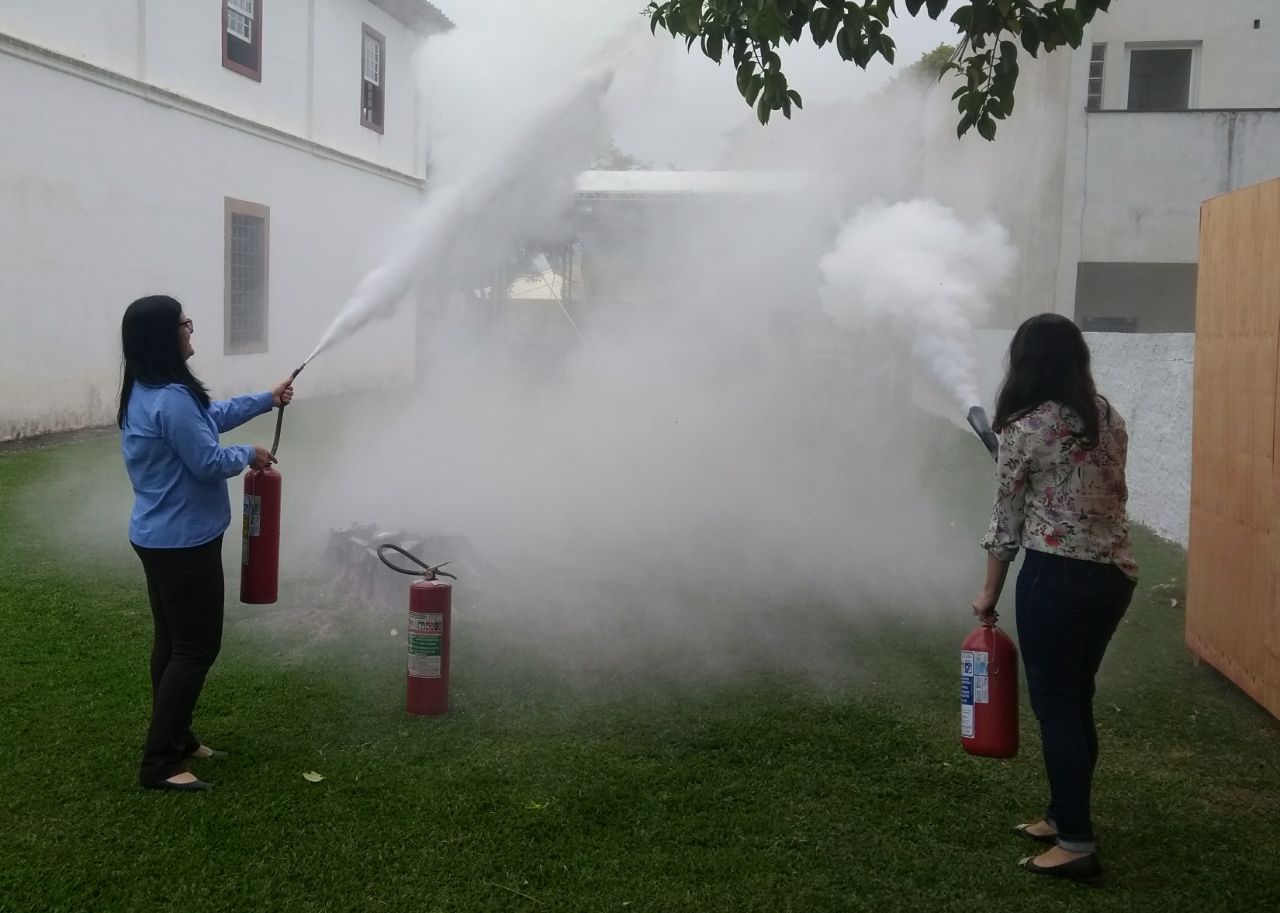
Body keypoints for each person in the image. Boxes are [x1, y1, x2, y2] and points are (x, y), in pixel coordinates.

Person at [971, 313, 1138, 880]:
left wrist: (988, 593)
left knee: (1057, 706)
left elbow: (1005, 522)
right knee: (1076, 698)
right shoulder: (1107, 415)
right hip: (1113, 576)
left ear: (1025, 362)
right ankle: (1062, 814)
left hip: (1056, 577)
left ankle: (1075, 843)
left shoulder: (1023, 428)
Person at [118, 295, 295, 792]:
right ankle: (159, 763)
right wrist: (250, 454)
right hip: (182, 544)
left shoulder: (149, 389)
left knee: (173, 642)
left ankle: (177, 736)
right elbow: (207, 461)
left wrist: (266, 398)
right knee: (196, 647)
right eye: (184, 324)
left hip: (159, 536)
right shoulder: (170, 397)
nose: (190, 330)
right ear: (164, 337)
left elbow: (207, 417)